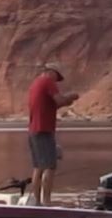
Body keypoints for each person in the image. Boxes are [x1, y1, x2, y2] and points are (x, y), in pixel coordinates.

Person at [26, 62, 78, 206]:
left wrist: (67, 101)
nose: (56, 81)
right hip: (44, 130)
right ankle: (47, 202)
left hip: (33, 130)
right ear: (52, 72)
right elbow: (59, 101)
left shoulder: (35, 83)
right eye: (57, 77)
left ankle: (37, 201)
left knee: (38, 167)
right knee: (50, 167)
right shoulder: (48, 81)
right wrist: (70, 97)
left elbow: (53, 104)